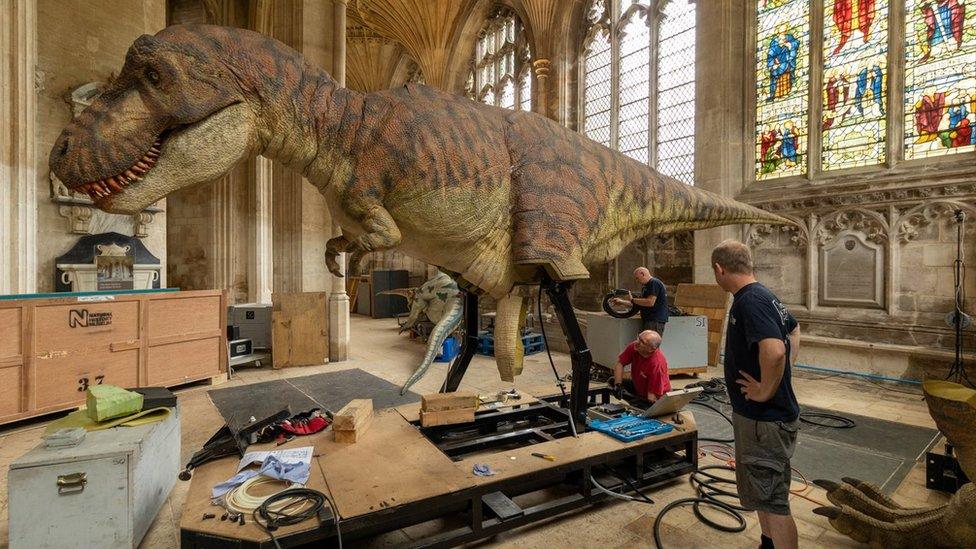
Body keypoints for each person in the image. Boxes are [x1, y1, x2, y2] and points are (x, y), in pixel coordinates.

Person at [712, 239, 801, 549]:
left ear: (719, 269)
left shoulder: (750, 300)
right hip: (756, 419)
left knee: (774, 501)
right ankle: (767, 543)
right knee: (761, 490)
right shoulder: (763, 295)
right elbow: (793, 329)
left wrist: (766, 388)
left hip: (765, 420)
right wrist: (783, 371)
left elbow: (775, 349)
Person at [609, 330, 671, 404]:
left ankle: (636, 404)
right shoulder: (635, 346)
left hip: (657, 396)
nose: (637, 342)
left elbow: (652, 397)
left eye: (642, 342)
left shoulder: (657, 364)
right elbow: (620, 364)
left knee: (646, 406)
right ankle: (634, 402)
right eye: (639, 338)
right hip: (639, 387)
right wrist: (618, 385)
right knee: (612, 381)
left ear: (651, 349)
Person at [614, 267, 668, 334]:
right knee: (644, 342)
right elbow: (639, 303)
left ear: (642, 274)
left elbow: (650, 302)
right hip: (648, 319)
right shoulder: (645, 287)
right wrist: (622, 301)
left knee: (650, 342)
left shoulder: (654, 283)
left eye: (637, 278)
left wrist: (632, 299)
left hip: (654, 320)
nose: (637, 281)